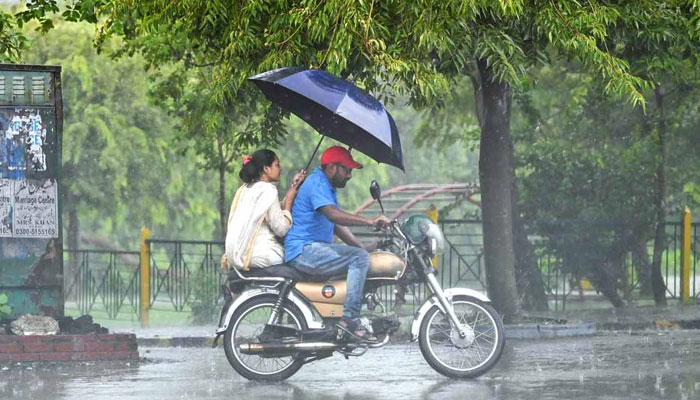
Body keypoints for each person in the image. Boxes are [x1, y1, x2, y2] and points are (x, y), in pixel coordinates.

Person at [284, 146, 391, 341]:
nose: (350, 175)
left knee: (359, 256)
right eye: (347, 169)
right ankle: (350, 319)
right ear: (332, 167)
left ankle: (337, 318)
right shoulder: (317, 183)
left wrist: (362, 248)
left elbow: (336, 225)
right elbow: (334, 215)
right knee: (358, 258)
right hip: (304, 250)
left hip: (313, 249)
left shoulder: (326, 187)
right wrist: (370, 221)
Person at [223, 149, 306, 270]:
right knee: (298, 260)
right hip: (262, 254)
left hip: (241, 254)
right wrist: (288, 202)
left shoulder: (245, 189)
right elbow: (281, 229)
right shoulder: (268, 190)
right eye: (277, 165)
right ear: (266, 169)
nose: (280, 169)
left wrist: (293, 188)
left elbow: (271, 210)